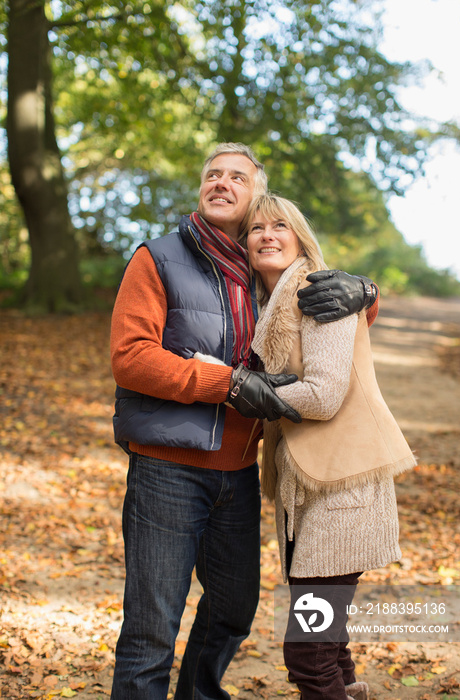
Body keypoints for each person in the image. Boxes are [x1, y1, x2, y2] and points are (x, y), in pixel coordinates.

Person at [109, 143, 379, 699]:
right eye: (212, 174)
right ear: (201, 187)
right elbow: (130, 357)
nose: (222, 182)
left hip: (238, 473)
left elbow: (318, 315)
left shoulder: (263, 267)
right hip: (167, 468)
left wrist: (367, 294)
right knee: (150, 628)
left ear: (255, 194)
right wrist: (226, 384)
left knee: (233, 610)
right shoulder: (157, 258)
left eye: (237, 176)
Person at [244, 194, 416, 700]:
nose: (268, 235)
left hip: (345, 486)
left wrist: (240, 392)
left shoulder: (323, 294)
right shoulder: (260, 302)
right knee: (328, 640)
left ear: (300, 237)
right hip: (306, 484)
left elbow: (322, 394)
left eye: (280, 226)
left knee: (309, 650)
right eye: (256, 229)